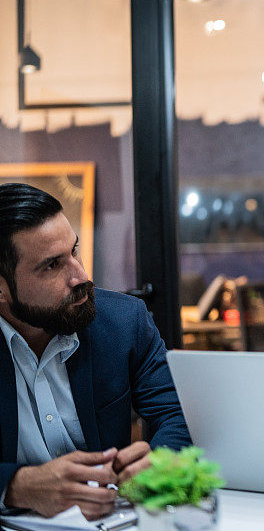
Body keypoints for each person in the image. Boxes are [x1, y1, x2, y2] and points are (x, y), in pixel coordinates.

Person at [0, 183, 191, 520]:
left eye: (74, 251)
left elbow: (179, 414)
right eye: (52, 266)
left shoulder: (123, 321)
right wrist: (16, 485)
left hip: (112, 522)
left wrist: (162, 462)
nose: (80, 276)